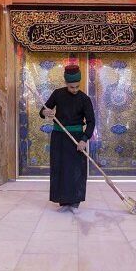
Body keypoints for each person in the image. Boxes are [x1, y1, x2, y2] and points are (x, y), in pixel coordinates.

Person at [40, 64, 95, 214]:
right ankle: (63, 201)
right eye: (71, 87)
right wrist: (47, 112)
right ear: (65, 83)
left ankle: (75, 202)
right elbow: (43, 110)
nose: (75, 89)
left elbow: (91, 122)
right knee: (60, 169)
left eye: (77, 86)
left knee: (76, 170)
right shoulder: (57, 94)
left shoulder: (85, 99)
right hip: (58, 137)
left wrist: (84, 139)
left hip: (76, 139)